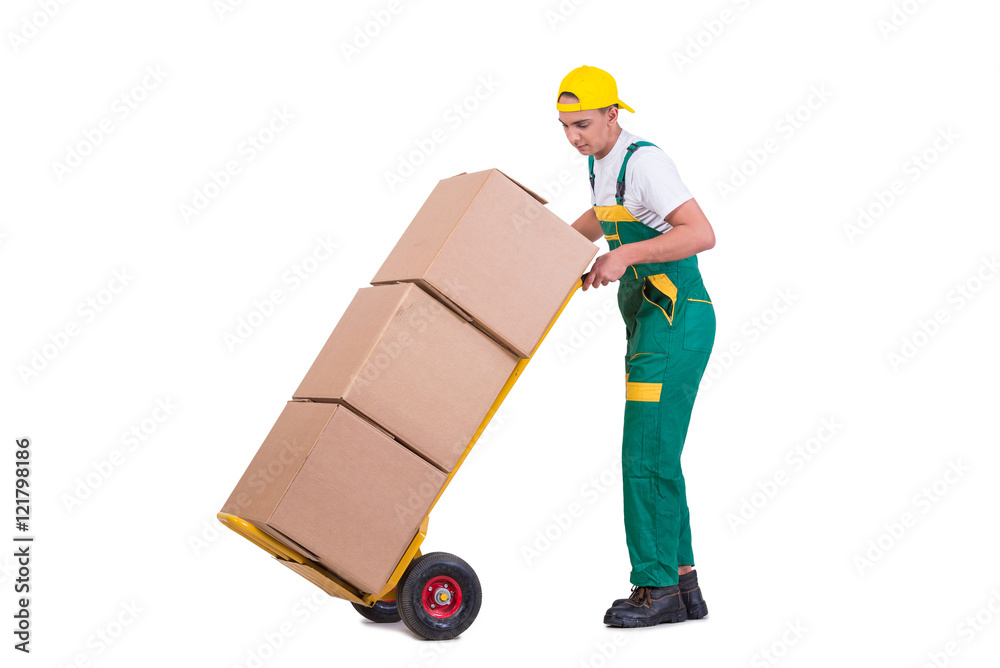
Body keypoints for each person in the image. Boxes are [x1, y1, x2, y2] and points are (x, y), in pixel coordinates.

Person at [556, 65, 717, 628]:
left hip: (675, 323)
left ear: (612, 114)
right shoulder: (604, 165)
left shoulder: (645, 161)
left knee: (643, 454)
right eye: (564, 127)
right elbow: (596, 221)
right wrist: (533, 246)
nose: (574, 136)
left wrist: (622, 257)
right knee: (658, 453)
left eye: (582, 124)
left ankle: (656, 590)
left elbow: (700, 233)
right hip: (650, 326)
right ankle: (683, 582)